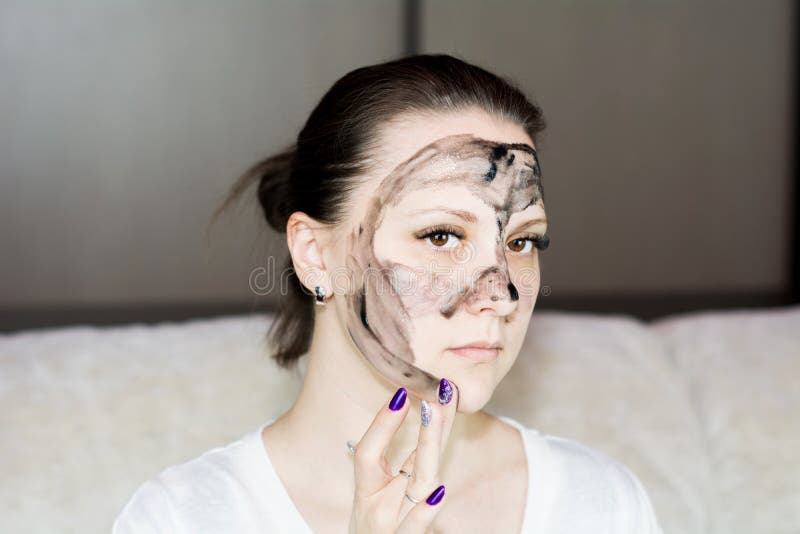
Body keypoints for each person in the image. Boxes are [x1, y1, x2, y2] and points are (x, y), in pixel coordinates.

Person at [113, 53, 663, 533]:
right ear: (316, 254)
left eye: (522, 240)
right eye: (441, 236)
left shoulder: (602, 505)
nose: (503, 294)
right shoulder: (183, 519)